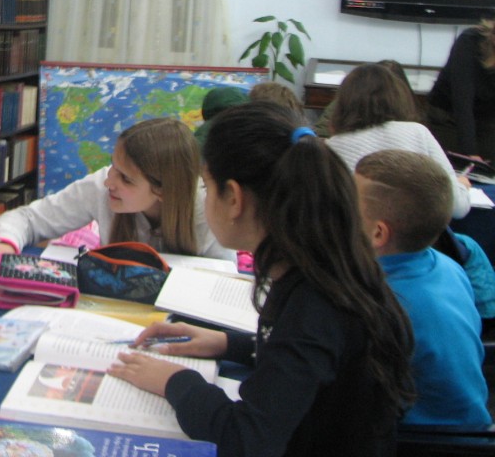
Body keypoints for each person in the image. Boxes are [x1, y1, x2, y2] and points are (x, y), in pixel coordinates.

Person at [107, 102, 414, 457]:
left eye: (207, 185)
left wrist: (174, 380)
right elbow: (304, 366)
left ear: (234, 198)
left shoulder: (315, 306)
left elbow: (246, 439)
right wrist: (229, 343)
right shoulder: (321, 269)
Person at [0, 118, 234, 273]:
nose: (109, 181)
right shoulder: (101, 187)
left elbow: (225, 280)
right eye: (113, 166)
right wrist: (4, 243)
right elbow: (28, 219)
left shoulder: (209, 209)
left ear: (163, 191)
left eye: (126, 178)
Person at [354, 149, 491, 429]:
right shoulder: (447, 266)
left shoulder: (380, 302)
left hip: (425, 440)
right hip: (472, 425)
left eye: (347, 205)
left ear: (378, 233)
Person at [327, 62, 472, 218]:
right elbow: (458, 206)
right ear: (398, 97)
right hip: (413, 231)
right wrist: (462, 187)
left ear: (342, 102)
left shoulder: (332, 147)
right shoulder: (418, 133)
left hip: (356, 231)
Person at [427, 10, 495, 162]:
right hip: (448, 118)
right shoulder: (470, 41)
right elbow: (462, 101)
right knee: (457, 166)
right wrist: (470, 153)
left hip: (487, 120)